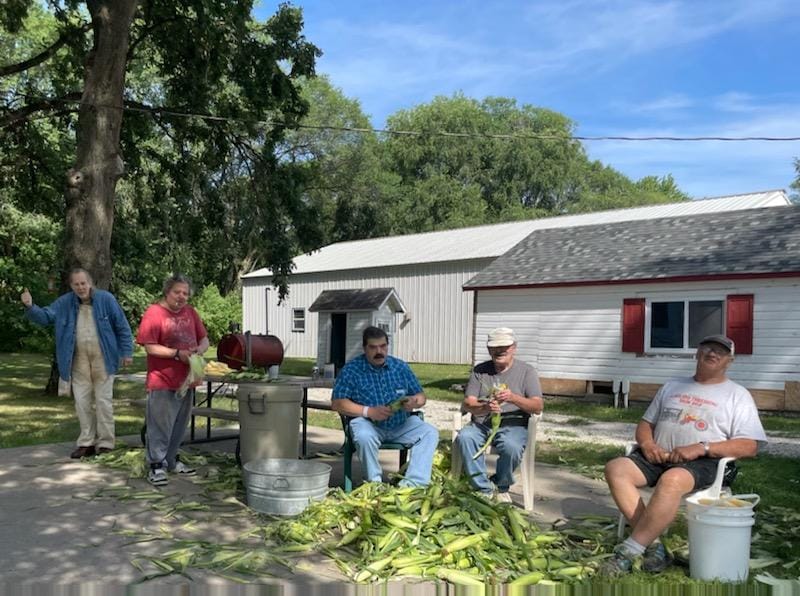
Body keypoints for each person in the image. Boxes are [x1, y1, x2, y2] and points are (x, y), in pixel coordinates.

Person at [602, 334, 767, 576]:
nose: (712, 353)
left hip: (706, 462)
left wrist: (702, 447)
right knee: (616, 469)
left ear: (729, 361)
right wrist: (647, 444)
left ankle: (630, 551)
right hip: (660, 457)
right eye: (707, 348)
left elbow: (749, 446)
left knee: (673, 480)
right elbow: (646, 424)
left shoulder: (737, 395)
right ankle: (654, 546)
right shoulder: (672, 386)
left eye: (720, 351)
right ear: (697, 353)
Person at [21, 268, 133, 458]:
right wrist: (30, 306)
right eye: (76, 284)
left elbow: (122, 326)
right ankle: (86, 443)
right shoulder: (65, 302)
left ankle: (106, 443)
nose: (80, 287)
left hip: (104, 358)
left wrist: (126, 352)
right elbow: (46, 317)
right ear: (71, 286)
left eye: (83, 283)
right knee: (82, 402)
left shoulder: (106, 299)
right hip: (77, 359)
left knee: (103, 401)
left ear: (90, 283)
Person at [331, 326, 438, 487]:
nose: (379, 351)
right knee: (364, 436)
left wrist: (414, 401)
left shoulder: (400, 367)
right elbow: (337, 403)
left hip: (401, 424)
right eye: (373, 347)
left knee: (430, 432)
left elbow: (421, 396)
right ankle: (374, 484)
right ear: (364, 348)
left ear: (388, 346)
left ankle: (414, 485)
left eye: (383, 346)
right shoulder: (351, 370)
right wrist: (368, 411)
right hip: (368, 423)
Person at [455, 327, 544, 501]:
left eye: (505, 347)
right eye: (495, 347)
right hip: (482, 423)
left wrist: (513, 398)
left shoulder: (527, 371)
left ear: (514, 348)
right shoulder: (480, 371)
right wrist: (485, 407)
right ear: (489, 349)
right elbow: (468, 403)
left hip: (514, 424)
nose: (500, 351)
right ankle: (483, 488)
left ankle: (500, 485)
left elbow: (538, 406)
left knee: (512, 446)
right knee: (465, 437)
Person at [136, 274, 209, 486]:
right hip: (163, 379)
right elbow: (150, 347)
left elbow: (204, 339)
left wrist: (200, 349)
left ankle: (171, 459)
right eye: (177, 292)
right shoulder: (154, 313)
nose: (181, 296)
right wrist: (177, 354)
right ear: (167, 292)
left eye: (185, 293)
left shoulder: (191, 313)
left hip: (187, 379)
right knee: (160, 424)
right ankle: (156, 465)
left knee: (180, 424)